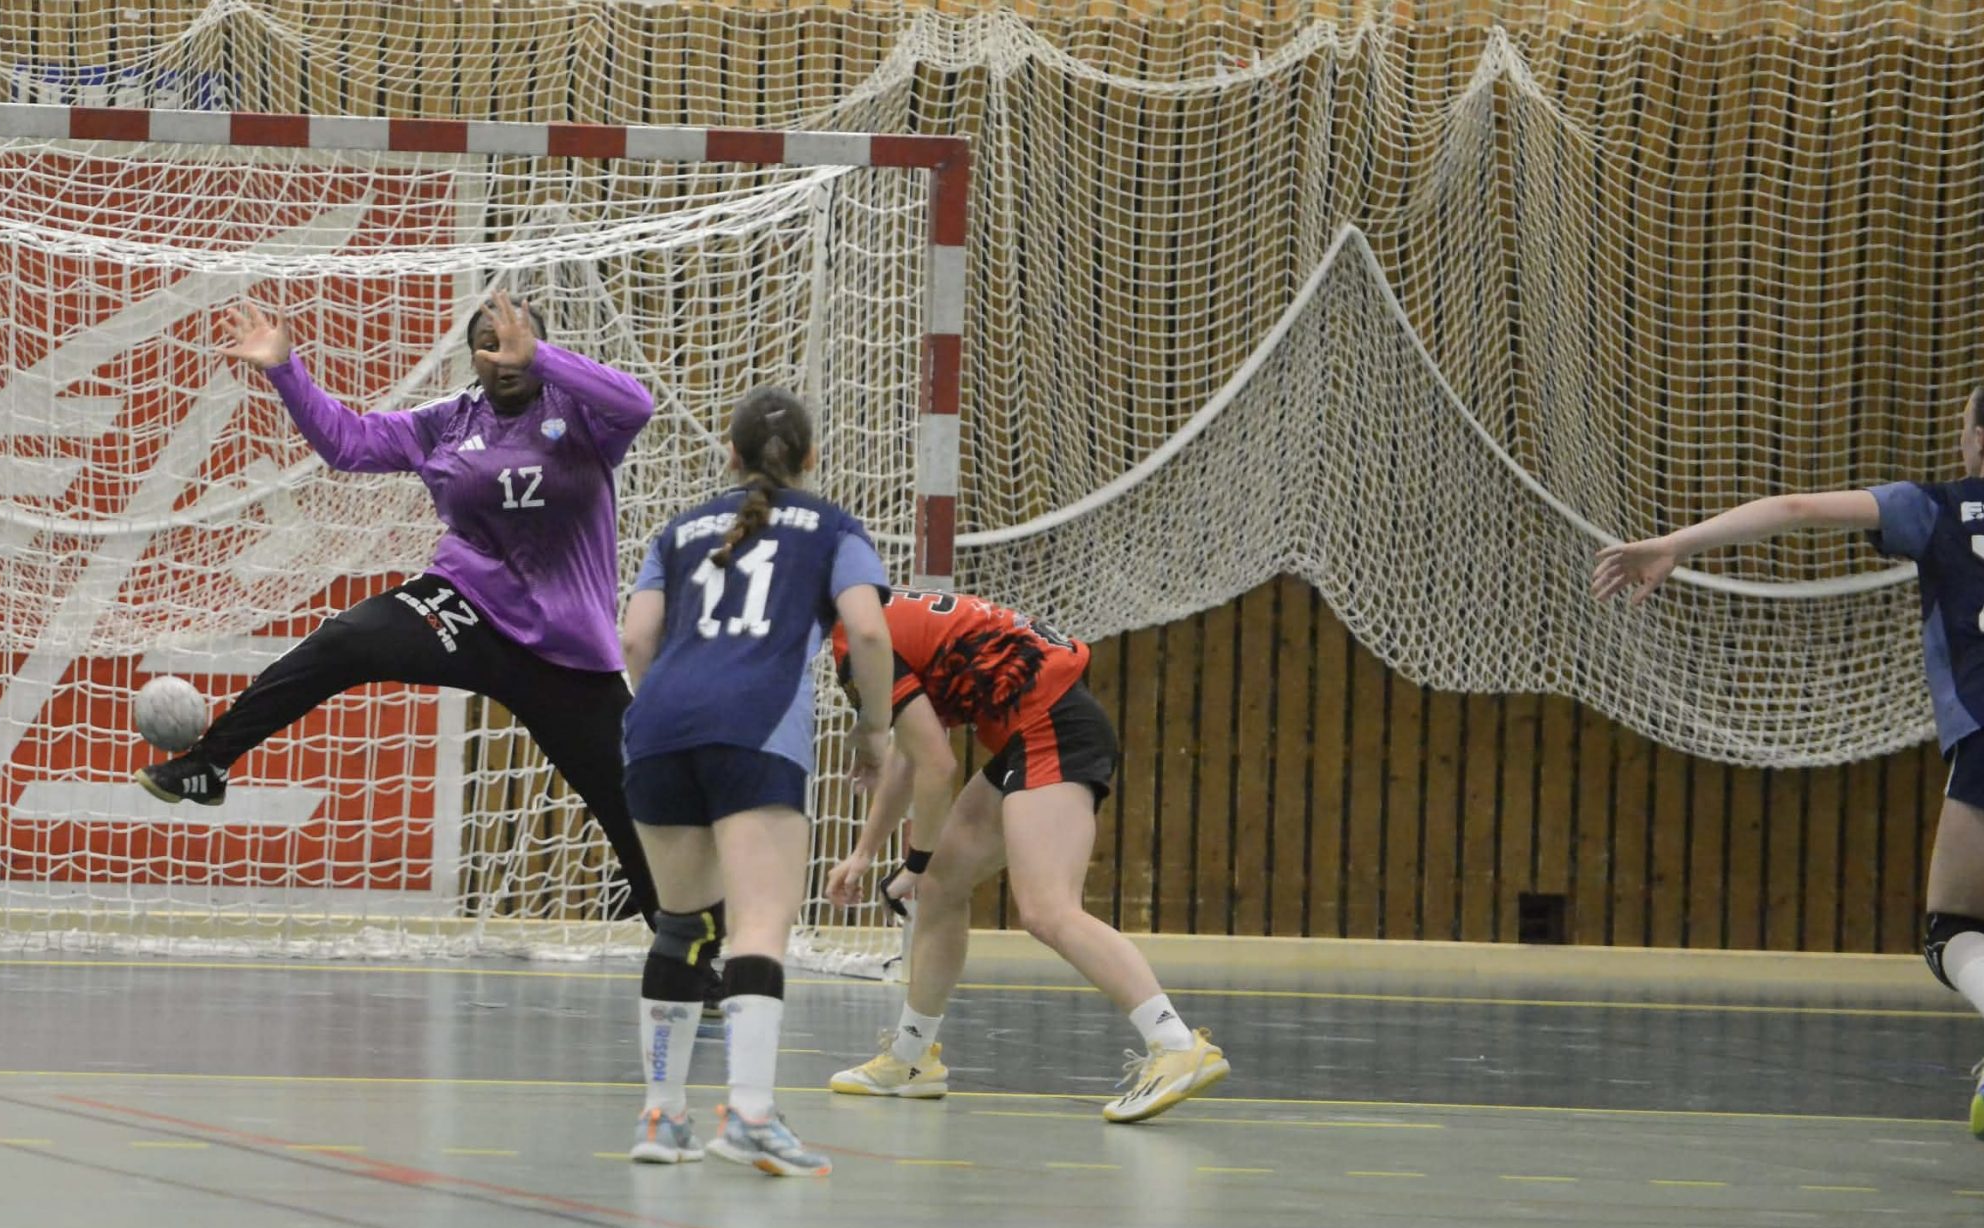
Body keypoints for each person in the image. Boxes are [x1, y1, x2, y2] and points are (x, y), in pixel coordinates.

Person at [137, 293, 703, 971]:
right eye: (489, 344)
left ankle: (691, 953)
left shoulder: (581, 414)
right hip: (466, 605)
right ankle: (209, 764)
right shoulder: (449, 422)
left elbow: (638, 404)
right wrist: (285, 370)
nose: (504, 355)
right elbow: (348, 444)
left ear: (540, 348)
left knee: (628, 803)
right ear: (473, 357)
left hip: (564, 650)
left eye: (517, 342)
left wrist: (544, 358)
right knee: (343, 641)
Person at [1593, 375, 1984, 1141]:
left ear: (1979, 439)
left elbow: (1795, 509)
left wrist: (1674, 544)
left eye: (1961, 428)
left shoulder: (1938, 507)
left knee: (1954, 930)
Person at [821, 588, 1229, 1122]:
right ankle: (911, 1057)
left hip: (1050, 728)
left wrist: (912, 860)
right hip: (1035, 729)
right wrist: (865, 853)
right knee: (941, 883)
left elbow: (937, 766)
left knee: (1047, 909)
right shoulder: (882, 615)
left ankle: (1175, 1045)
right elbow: (910, 753)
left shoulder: (859, 636)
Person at [618, 386, 893, 1176]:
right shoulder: (834, 528)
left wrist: (673, 708)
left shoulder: (677, 531)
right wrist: (873, 728)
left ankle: (662, 1118)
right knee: (759, 926)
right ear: (811, 458)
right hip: (756, 725)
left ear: (730, 455)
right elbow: (869, 632)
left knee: (681, 925)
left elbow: (635, 640)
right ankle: (749, 1116)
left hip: (657, 726)